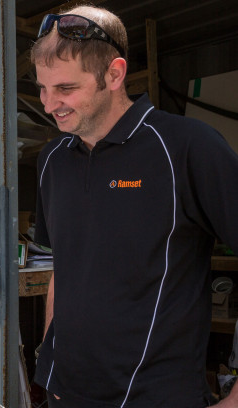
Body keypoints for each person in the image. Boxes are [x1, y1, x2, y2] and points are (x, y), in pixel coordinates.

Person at [31, 5, 238, 407]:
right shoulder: (51, 161)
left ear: (114, 74)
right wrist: (49, 360)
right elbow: (64, 268)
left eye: (66, 89)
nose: (48, 103)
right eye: (42, 87)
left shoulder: (187, 147)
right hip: (66, 396)